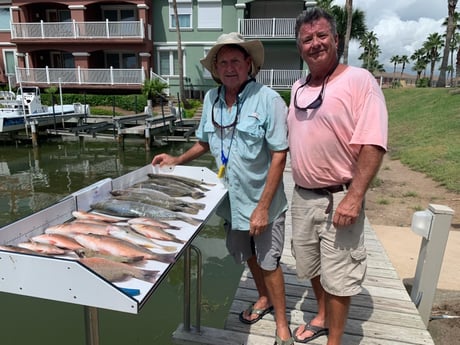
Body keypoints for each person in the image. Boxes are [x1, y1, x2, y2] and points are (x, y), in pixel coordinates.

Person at [151, 32, 293, 345]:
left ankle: (283, 325)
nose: (229, 68)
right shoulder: (211, 99)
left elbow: (280, 155)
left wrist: (263, 207)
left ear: (248, 64)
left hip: (263, 201)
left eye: (235, 61)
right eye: (223, 62)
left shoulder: (268, 100)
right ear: (216, 68)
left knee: (270, 262)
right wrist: (177, 159)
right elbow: (205, 141)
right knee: (250, 257)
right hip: (231, 201)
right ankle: (262, 298)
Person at [287, 8, 388, 345]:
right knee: (310, 265)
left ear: (336, 39)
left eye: (321, 36)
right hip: (302, 195)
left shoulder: (360, 80)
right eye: (307, 39)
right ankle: (321, 314)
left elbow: (373, 142)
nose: (315, 44)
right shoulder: (297, 86)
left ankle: (335, 339)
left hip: (339, 198)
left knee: (340, 275)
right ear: (299, 47)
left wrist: (355, 196)